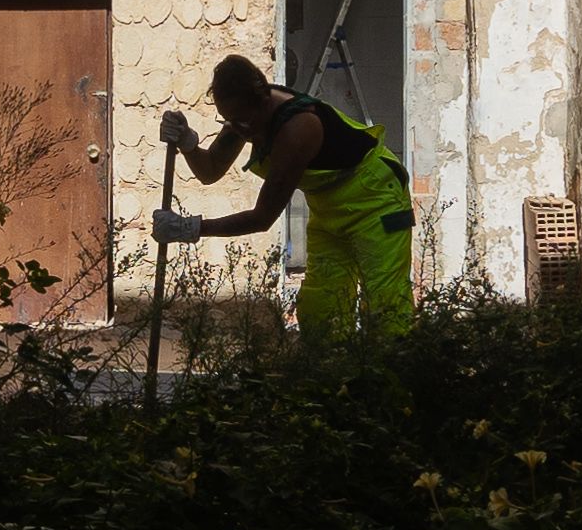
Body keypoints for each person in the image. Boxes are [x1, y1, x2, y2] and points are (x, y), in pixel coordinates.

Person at [154, 53, 416, 339]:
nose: (238, 129)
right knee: (321, 310)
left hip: (377, 199)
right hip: (329, 209)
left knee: (386, 307)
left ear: (264, 97)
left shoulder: (298, 129)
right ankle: (332, 380)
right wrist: (188, 143)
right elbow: (211, 170)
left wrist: (191, 228)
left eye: (241, 120)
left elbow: (262, 218)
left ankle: (396, 378)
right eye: (228, 120)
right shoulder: (247, 115)